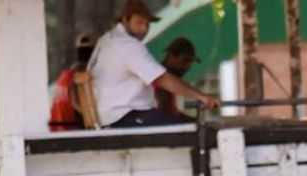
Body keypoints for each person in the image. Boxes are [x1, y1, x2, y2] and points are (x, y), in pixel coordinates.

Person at [90, 0, 218, 128]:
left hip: (114, 117)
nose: (144, 29)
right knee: (195, 130)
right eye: (139, 22)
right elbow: (161, 79)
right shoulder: (127, 45)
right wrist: (202, 97)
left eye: (147, 24)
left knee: (193, 127)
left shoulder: (107, 40)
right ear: (125, 20)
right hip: (124, 117)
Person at [49, 33, 96, 131]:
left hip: (59, 129)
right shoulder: (79, 75)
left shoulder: (65, 76)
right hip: (72, 128)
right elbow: (76, 102)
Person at [155, 37, 202, 124]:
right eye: (185, 60)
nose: (188, 67)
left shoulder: (167, 77)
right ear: (171, 56)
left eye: (190, 62)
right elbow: (166, 115)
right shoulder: (161, 78)